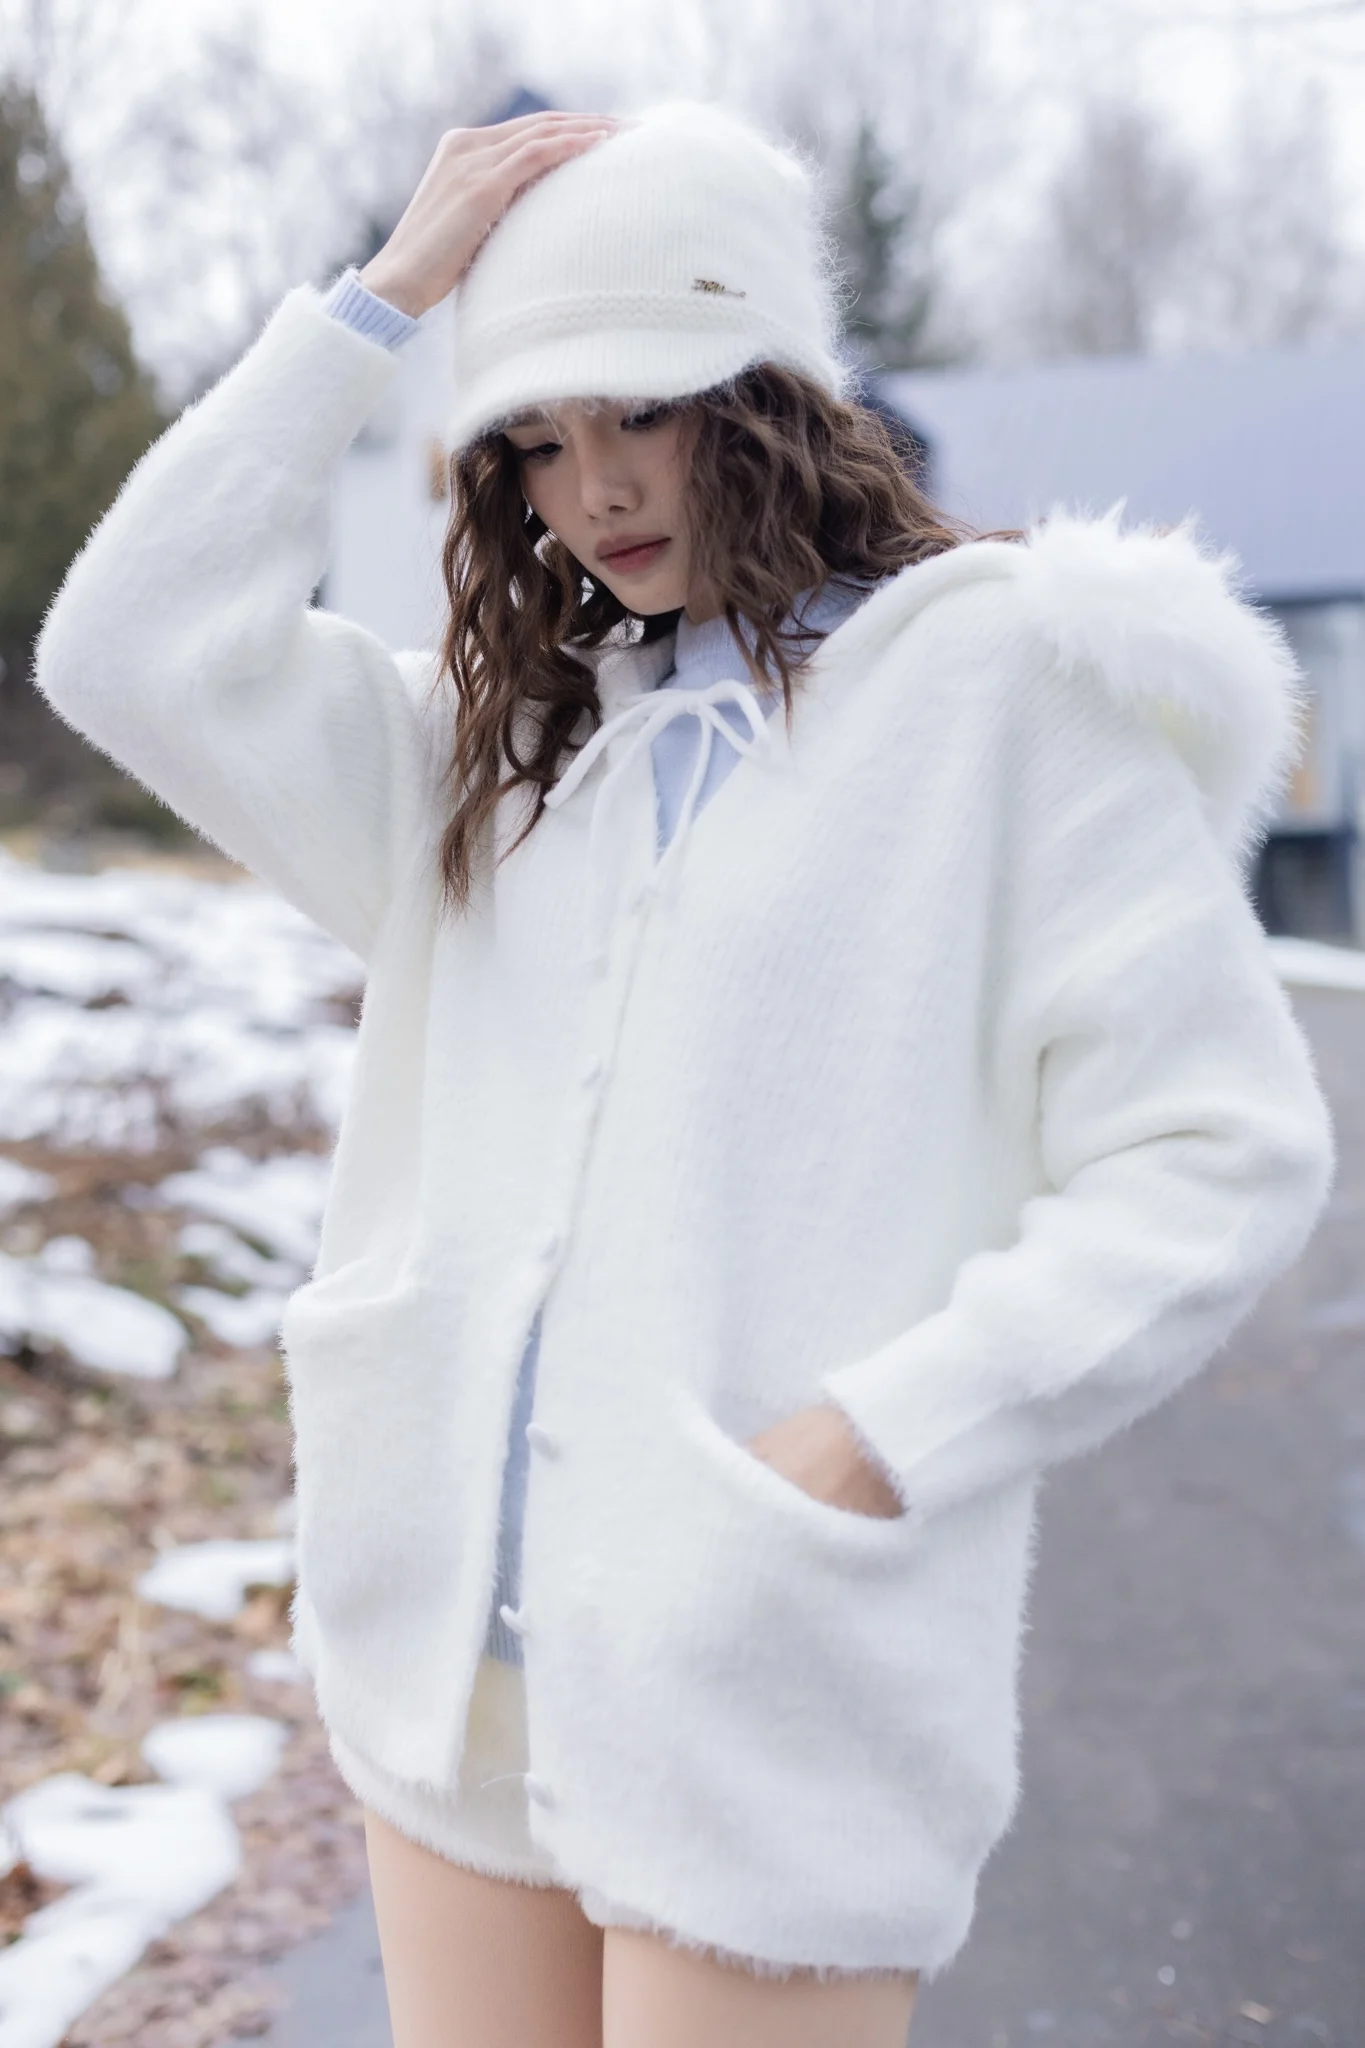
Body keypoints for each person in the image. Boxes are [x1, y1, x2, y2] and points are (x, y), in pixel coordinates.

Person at [35, 99, 1333, 2048]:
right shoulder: (500, 751)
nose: (595, 490)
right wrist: (379, 308)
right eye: (537, 443)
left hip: (768, 1662)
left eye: (639, 410)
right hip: (453, 1670)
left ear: (766, 394)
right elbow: (127, 646)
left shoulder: (1000, 691)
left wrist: (877, 1438)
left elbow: (1218, 1151)